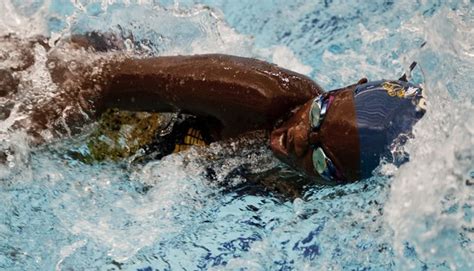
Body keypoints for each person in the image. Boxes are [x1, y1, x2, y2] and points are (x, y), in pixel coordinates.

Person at [0, 33, 425, 184]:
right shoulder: (256, 95)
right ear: (349, 87)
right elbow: (94, 79)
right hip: (59, 80)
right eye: (319, 115)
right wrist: (17, 139)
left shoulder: (310, 183)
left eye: (324, 160)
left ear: (345, 182)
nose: (299, 137)